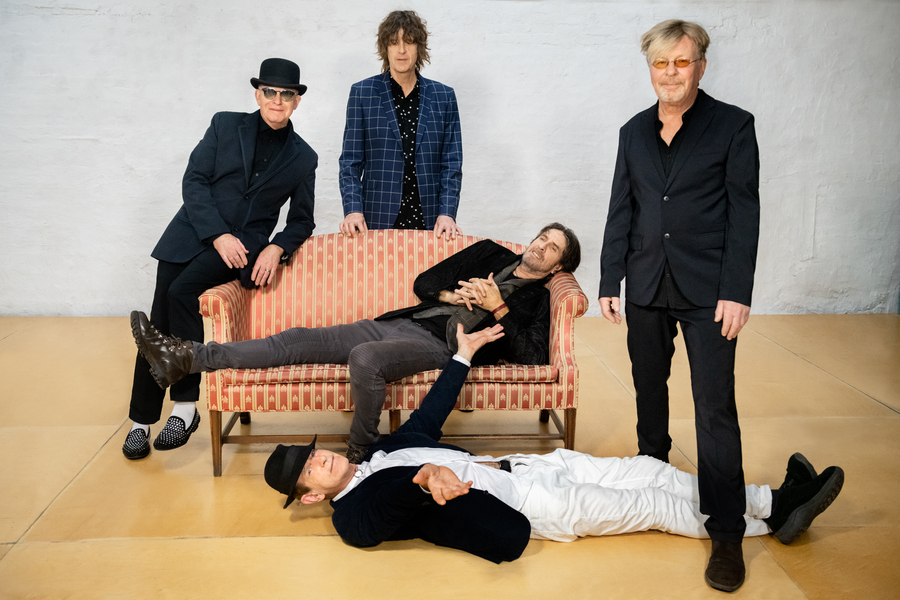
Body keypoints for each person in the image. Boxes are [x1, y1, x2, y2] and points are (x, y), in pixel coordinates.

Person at [262, 324, 844, 565]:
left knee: (652, 472)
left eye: (314, 451)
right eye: (311, 470)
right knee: (651, 507)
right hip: (532, 508)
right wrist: (421, 480)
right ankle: (771, 525)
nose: (322, 458)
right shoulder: (353, 515)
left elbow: (428, 416)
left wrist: (462, 355)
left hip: (538, 465)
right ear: (312, 496)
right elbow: (375, 521)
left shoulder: (384, 454)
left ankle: (768, 498)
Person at [130, 224, 581, 463]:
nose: (540, 246)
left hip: (442, 347)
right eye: (542, 237)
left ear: (559, 266)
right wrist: (453, 293)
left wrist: (499, 305)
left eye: (552, 247)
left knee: (364, 360)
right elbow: (425, 282)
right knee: (296, 340)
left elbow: (529, 353)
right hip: (401, 324)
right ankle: (187, 358)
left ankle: (362, 453)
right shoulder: (490, 252)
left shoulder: (541, 299)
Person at [597, 20, 760, 592]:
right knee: (648, 388)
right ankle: (655, 477)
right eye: (661, 64)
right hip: (644, 285)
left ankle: (727, 532)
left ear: (701, 66)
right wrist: (608, 279)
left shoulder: (734, 126)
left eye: (682, 63)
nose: (671, 73)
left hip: (709, 291)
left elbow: (745, 213)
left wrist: (738, 291)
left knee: (714, 406)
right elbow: (623, 207)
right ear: (650, 69)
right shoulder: (633, 131)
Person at [122, 58, 317, 462]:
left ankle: (185, 405)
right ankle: (141, 422)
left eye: (286, 94)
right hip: (192, 233)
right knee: (158, 323)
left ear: (297, 101)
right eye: (269, 92)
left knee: (180, 294)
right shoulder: (225, 125)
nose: (277, 101)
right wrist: (217, 233)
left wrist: (277, 247)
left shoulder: (304, 157)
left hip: (241, 249)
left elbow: (302, 219)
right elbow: (194, 180)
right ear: (257, 94)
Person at [338, 10, 463, 240]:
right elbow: (350, 162)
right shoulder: (362, 93)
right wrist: (353, 209)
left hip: (431, 220)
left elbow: (451, 164)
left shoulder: (443, 97)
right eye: (394, 42)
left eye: (409, 42)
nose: (402, 50)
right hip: (375, 217)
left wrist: (447, 213)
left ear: (419, 47)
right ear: (385, 47)